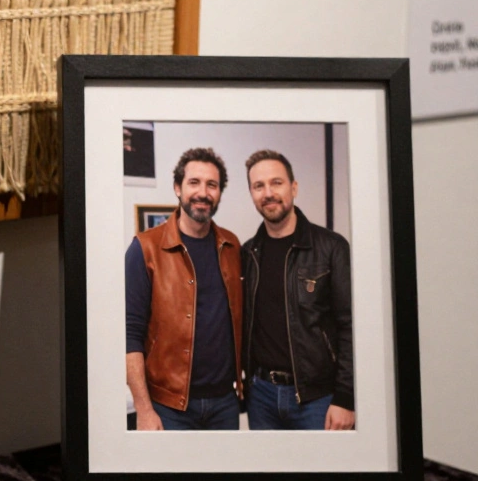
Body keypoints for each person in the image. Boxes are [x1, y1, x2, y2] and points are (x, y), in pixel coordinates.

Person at [125, 147, 244, 431]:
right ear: (178, 188)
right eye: (194, 182)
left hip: (225, 403)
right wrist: (143, 409)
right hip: (168, 408)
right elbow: (129, 335)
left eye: (211, 185)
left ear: (219, 193)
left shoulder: (231, 245)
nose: (203, 192)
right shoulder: (145, 248)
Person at [240, 149, 355, 430]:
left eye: (276, 183)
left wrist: (346, 398)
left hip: (317, 398)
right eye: (259, 186)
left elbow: (351, 326)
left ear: (294, 187)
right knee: (266, 474)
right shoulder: (246, 254)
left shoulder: (331, 247)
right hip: (261, 396)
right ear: (252, 194)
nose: (268, 193)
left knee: (320, 475)